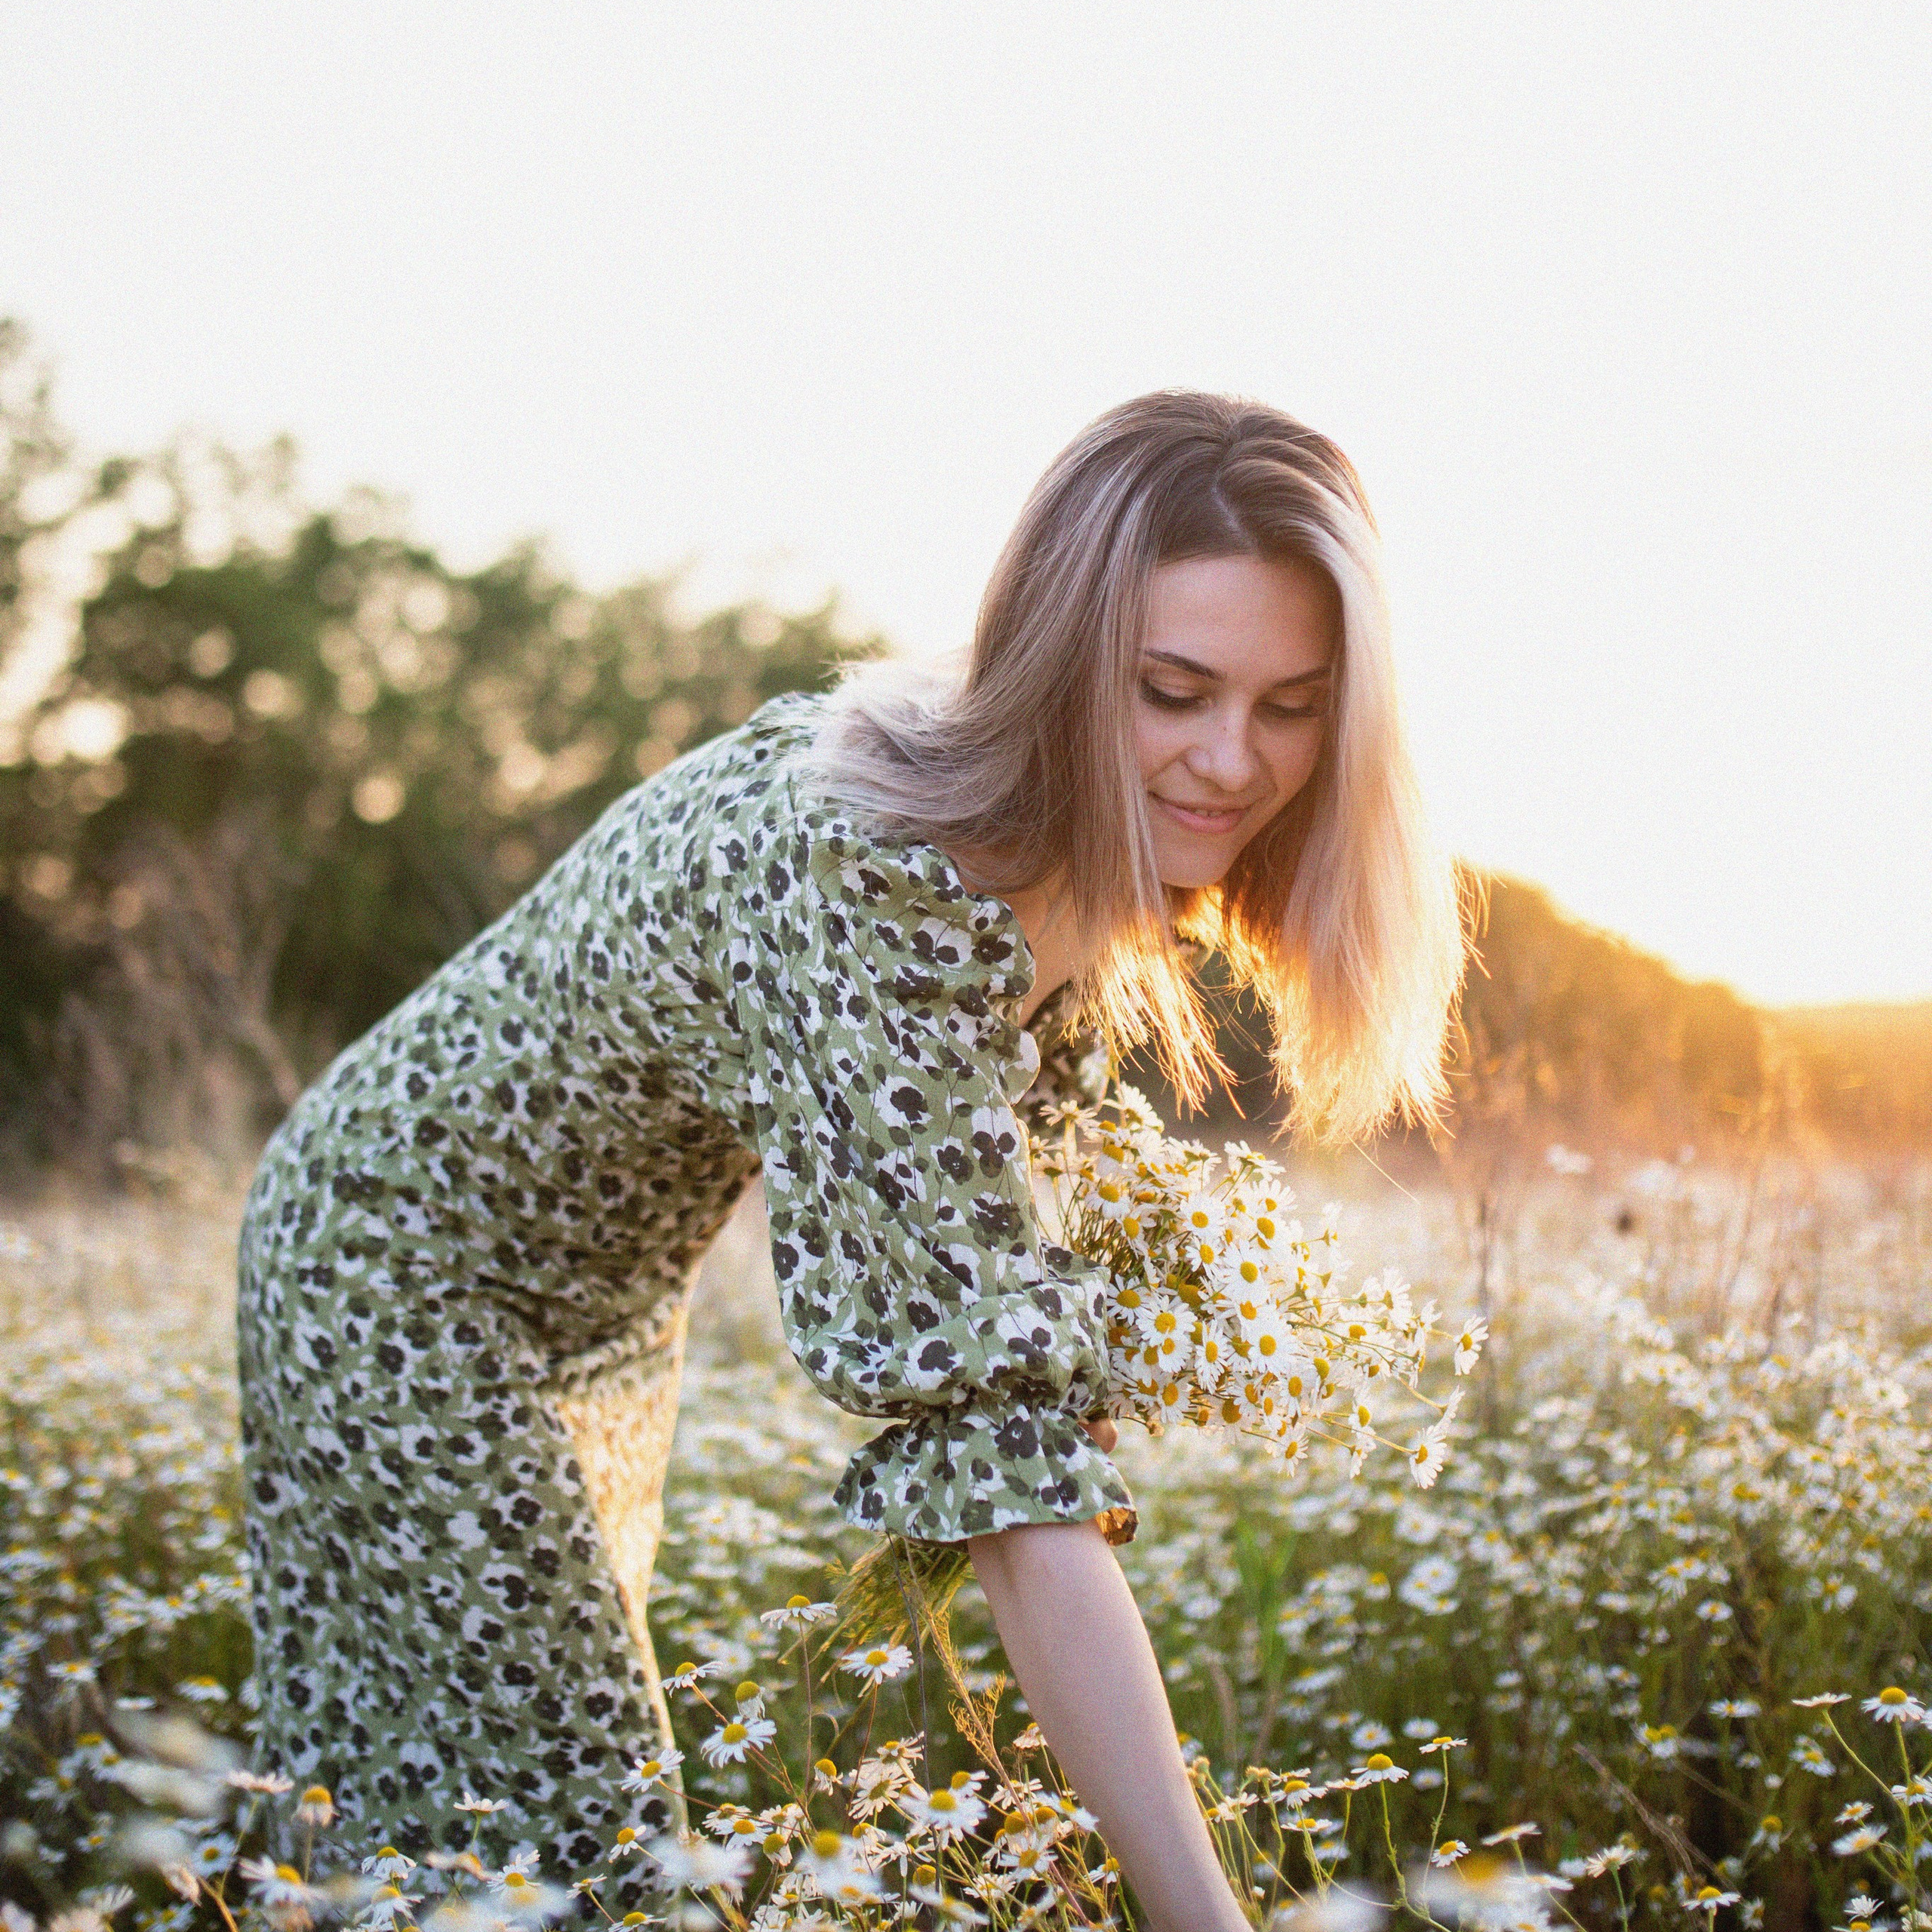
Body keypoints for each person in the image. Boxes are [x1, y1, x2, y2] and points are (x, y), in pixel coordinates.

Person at [235, 389, 1465, 1931]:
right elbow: (1001, 1456)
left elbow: (1027, 1238)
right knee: (574, 1840)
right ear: (1063, 658)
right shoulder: (880, 883)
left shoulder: (1064, 838)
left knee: (454, 1827)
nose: (1231, 759)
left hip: (594, 1302)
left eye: (1292, 706)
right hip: (394, 1269)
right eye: (1173, 690)